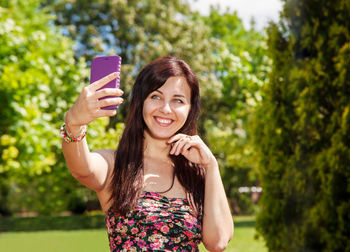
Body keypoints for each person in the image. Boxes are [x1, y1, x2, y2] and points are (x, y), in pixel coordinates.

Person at [62, 56, 233, 251]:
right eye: (155, 96)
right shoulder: (115, 164)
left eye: (178, 100)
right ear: (140, 102)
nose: (166, 109)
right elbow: (81, 169)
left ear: (190, 110)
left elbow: (218, 242)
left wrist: (211, 166)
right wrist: (73, 124)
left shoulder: (197, 174)